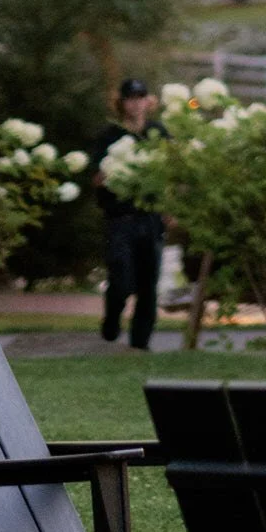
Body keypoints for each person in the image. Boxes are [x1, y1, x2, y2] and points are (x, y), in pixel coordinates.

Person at [94, 78, 167, 350]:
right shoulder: (110, 135)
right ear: (122, 103)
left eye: (140, 98)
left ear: (148, 101)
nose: (135, 104)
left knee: (149, 284)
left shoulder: (158, 133)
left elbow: (172, 172)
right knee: (121, 279)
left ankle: (140, 343)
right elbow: (96, 177)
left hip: (150, 217)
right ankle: (111, 322)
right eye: (130, 99)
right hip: (120, 219)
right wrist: (115, 173)